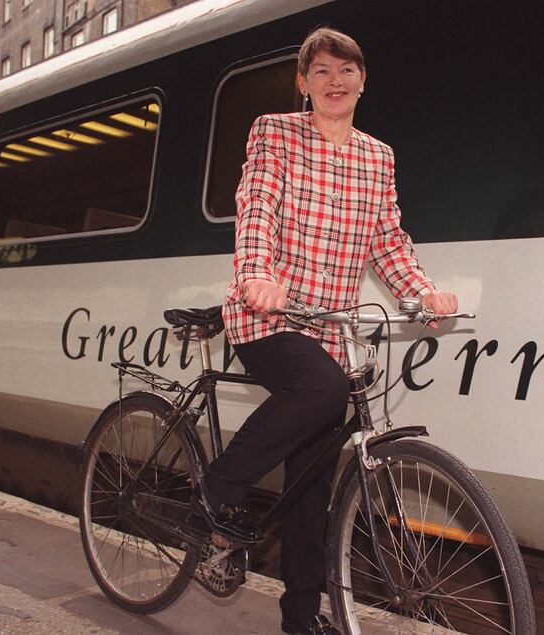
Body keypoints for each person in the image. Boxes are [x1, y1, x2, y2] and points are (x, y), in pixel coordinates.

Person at [193, 27, 458, 635]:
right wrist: (257, 274)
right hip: (269, 318)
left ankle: (299, 618)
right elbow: (256, 208)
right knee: (322, 390)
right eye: (321, 72)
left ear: (362, 80)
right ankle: (221, 484)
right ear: (304, 83)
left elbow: (388, 242)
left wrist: (422, 293)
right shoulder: (275, 133)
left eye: (346, 71)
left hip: (331, 331)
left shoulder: (377, 155)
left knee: (312, 491)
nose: (334, 82)